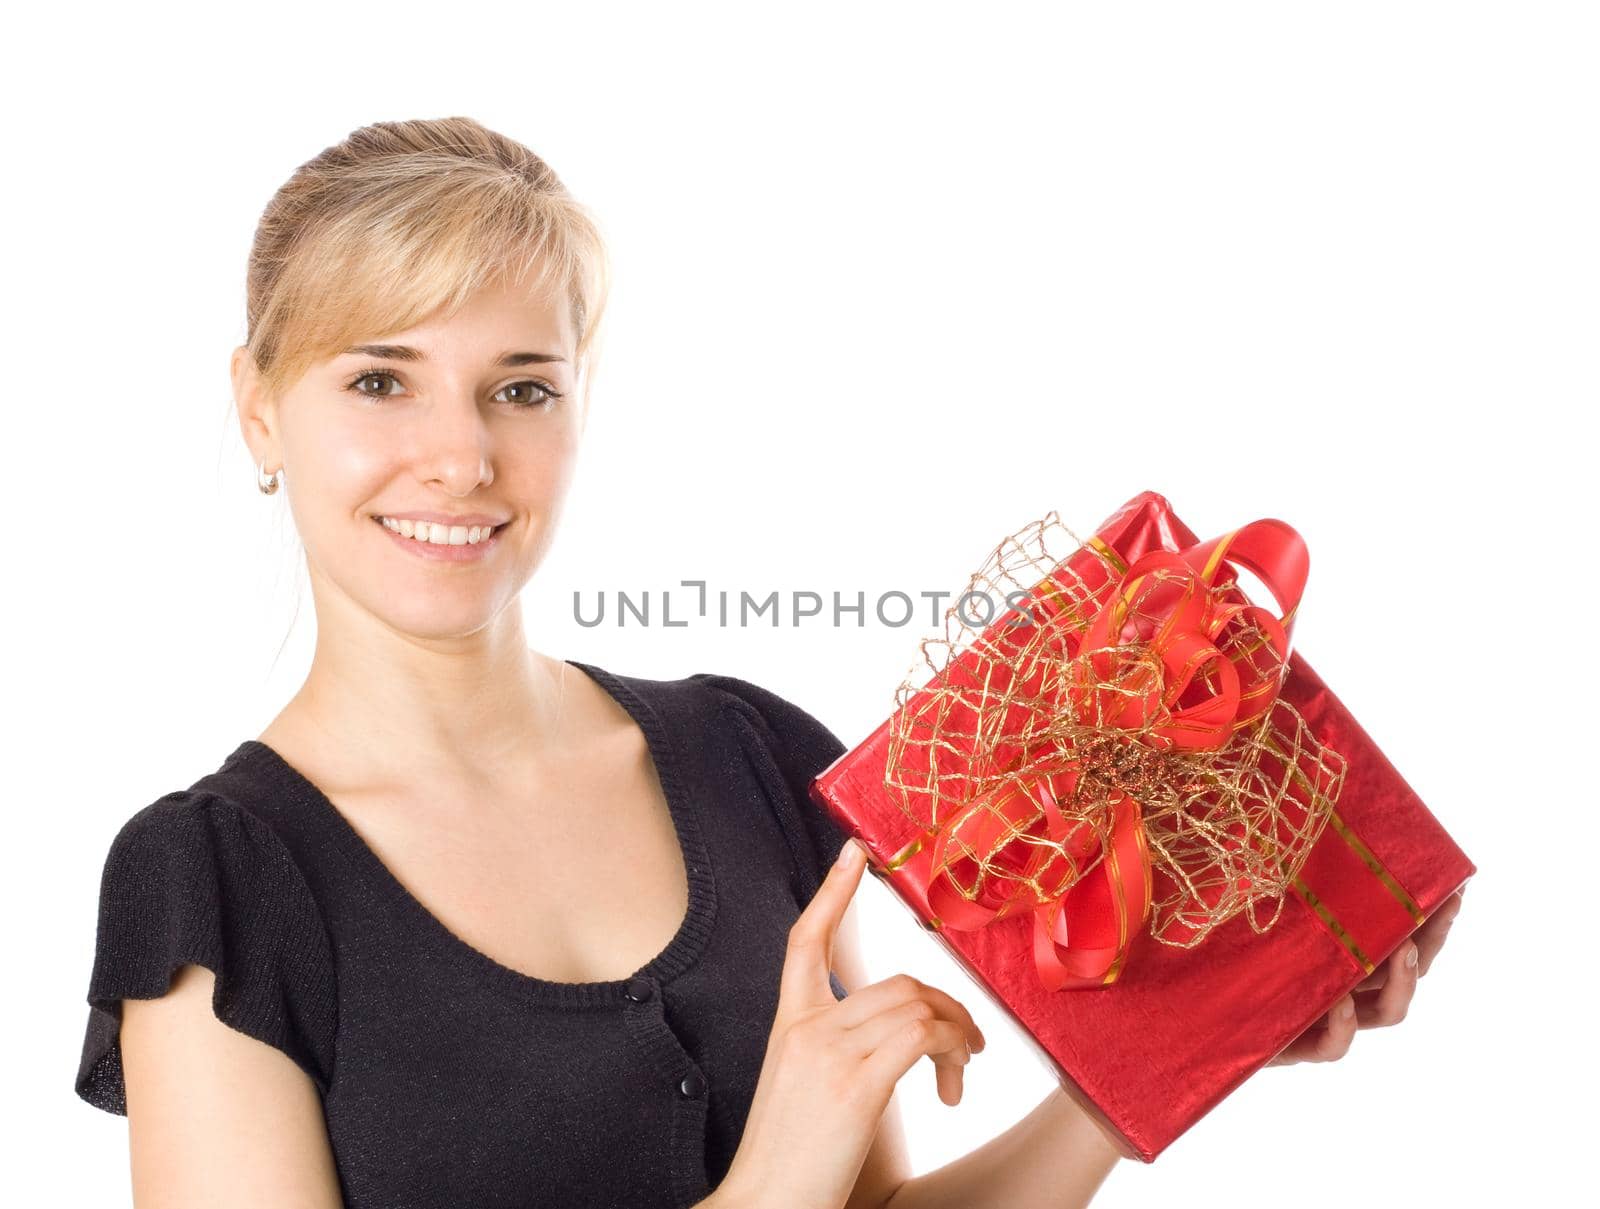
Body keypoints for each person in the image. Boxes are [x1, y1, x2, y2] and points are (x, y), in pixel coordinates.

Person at [73, 117, 1464, 1209]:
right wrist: (766, 1189)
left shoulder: (748, 757)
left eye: (523, 385)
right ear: (259, 407)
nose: (463, 454)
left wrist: (1131, 1080)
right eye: (379, 379)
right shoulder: (212, 887)